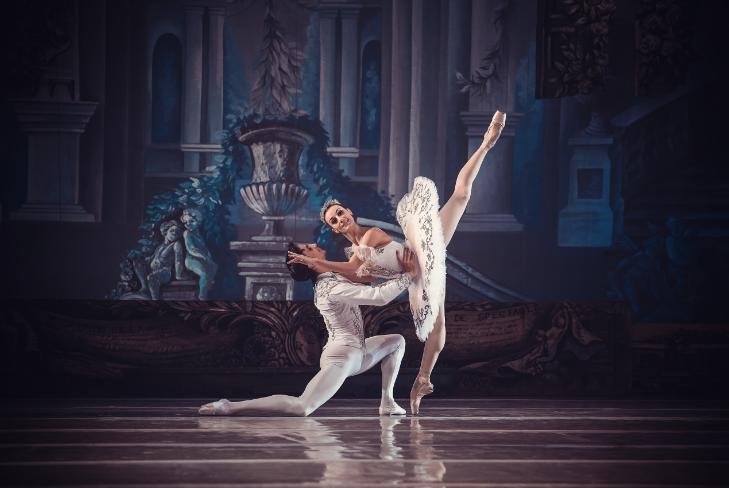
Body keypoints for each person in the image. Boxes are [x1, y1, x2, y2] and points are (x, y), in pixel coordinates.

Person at [288, 110, 506, 414]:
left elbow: (353, 271)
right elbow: (364, 279)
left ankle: (486, 143)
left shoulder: (370, 236)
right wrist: (320, 269)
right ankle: (422, 381)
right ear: (334, 229)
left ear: (349, 212)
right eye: (333, 220)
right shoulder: (354, 252)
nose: (339, 219)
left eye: (340, 213)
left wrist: (318, 264)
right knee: (437, 327)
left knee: (461, 196)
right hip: (415, 275)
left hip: (420, 250)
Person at [198, 243, 419, 417]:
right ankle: (230, 406)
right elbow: (378, 297)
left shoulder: (334, 277)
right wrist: (408, 275)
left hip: (358, 352)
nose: (314, 245)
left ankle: (387, 402)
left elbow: (366, 278)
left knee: (397, 341)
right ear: (309, 262)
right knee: (302, 407)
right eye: (308, 248)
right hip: (342, 357)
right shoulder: (330, 287)